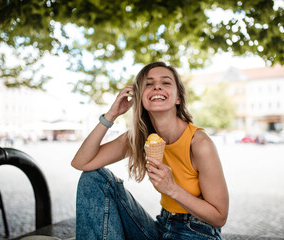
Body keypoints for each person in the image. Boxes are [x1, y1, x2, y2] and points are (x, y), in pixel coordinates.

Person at [71, 62, 229, 240]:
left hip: (198, 232)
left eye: (166, 82)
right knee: (93, 178)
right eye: (149, 83)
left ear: (178, 98)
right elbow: (81, 162)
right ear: (140, 98)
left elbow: (219, 217)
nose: (157, 86)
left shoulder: (199, 143)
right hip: (162, 227)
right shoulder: (139, 137)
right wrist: (111, 114)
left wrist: (172, 189)